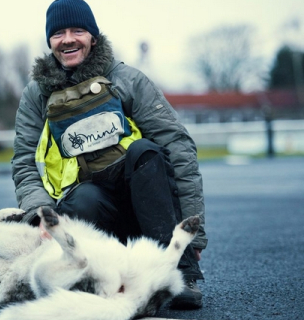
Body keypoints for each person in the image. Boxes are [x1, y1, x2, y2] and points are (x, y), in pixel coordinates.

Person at [11, 0, 207, 309]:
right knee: (83, 196)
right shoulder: (37, 94)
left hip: (149, 207)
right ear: (50, 41)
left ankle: (178, 270)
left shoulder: (127, 80)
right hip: (92, 213)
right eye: (58, 33)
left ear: (92, 36)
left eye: (78, 30)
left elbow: (178, 147)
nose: (68, 39)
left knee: (145, 151)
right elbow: (23, 161)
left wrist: (194, 236)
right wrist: (42, 216)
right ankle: (99, 276)